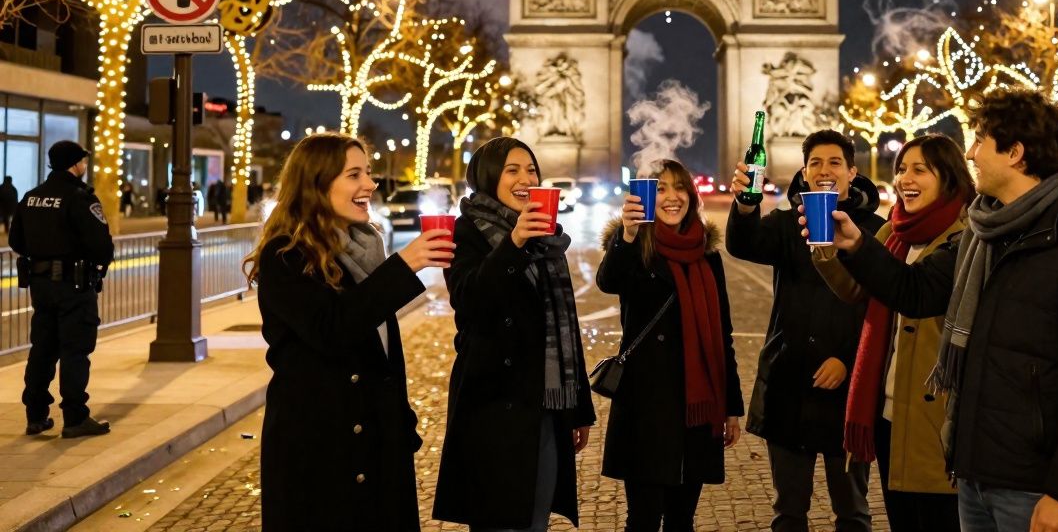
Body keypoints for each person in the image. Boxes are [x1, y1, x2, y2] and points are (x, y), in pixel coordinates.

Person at [803, 89, 1058, 532]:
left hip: (1031, 483)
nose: (971, 153)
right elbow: (916, 291)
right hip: (973, 473)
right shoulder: (982, 235)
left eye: (981, 140)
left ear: (1015, 153)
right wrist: (857, 244)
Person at [245, 133, 453, 531]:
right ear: (317, 183)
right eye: (354, 174)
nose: (370, 184)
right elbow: (332, 329)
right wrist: (403, 266)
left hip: (377, 446)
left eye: (368, 173)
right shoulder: (285, 254)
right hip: (322, 454)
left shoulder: (364, 247)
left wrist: (400, 426)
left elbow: (381, 353)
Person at [726, 129, 886, 532]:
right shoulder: (787, 222)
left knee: (852, 512)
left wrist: (848, 359)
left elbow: (882, 308)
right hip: (790, 383)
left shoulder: (877, 229)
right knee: (788, 512)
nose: (824, 170)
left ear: (852, 172)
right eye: (815, 162)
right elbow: (743, 245)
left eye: (834, 162)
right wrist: (745, 205)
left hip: (848, 395)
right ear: (804, 172)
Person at [433, 137, 596, 531]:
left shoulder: (547, 237)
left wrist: (578, 407)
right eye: (513, 170)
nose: (526, 179)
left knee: (535, 519)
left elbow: (563, 324)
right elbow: (470, 300)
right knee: (498, 520)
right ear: (489, 177)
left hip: (545, 406)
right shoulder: (465, 231)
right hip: (493, 405)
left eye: (531, 170)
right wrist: (514, 243)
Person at [811, 133, 970, 531]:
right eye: (901, 169)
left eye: (920, 170)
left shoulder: (963, 238)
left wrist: (858, 246)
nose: (904, 179)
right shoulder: (894, 233)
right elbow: (857, 290)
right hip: (888, 410)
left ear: (949, 177)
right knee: (903, 517)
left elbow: (911, 290)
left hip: (935, 414)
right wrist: (825, 247)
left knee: (938, 519)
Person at [597, 159, 744, 532]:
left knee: (682, 520)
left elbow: (723, 334)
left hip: (696, 409)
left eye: (680, 187)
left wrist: (731, 407)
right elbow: (609, 281)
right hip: (646, 406)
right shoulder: (635, 248)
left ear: (691, 196)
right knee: (643, 520)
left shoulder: (708, 255)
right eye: (659, 188)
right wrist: (628, 234)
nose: (672, 197)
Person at [11, 141, 115, 438]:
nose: (85, 166)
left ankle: (35, 415)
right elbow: (101, 246)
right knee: (75, 349)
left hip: (41, 285)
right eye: (83, 161)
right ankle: (74, 416)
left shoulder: (32, 197)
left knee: (42, 348)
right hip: (74, 285)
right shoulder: (79, 198)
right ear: (75, 164)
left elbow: (16, 241)